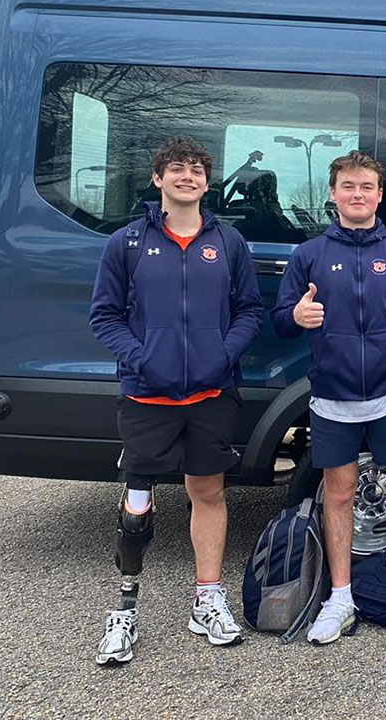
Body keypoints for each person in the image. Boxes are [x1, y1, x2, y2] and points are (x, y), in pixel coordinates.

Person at [271, 150, 386, 643]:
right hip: (332, 396)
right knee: (337, 491)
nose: (358, 194)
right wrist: (296, 318)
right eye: (349, 186)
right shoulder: (309, 254)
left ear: (380, 195)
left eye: (367, 187)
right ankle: (341, 595)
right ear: (333, 194)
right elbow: (280, 319)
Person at [90, 135, 263, 665]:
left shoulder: (228, 242)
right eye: (176, 169)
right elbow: (105, 316)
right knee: (138, 502)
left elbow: (249, 311)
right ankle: (124, 611)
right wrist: (141, 358)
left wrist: (222, 356)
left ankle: (206, 598)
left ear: (207, 183)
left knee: (208, 491)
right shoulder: (127, 243)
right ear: (157, 179)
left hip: (211, 393)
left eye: (196, 170)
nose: (187, 177)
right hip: (147, 395)